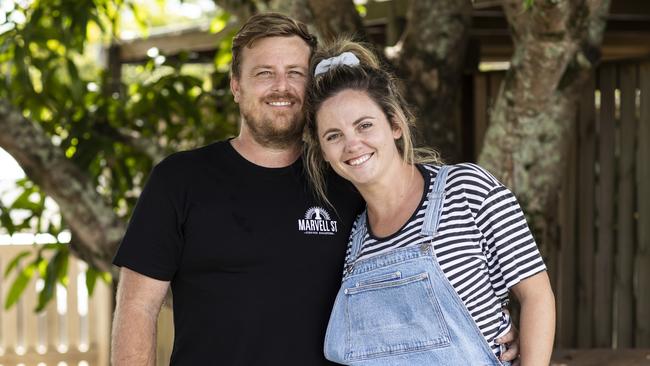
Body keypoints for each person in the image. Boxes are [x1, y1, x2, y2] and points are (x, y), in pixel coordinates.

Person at [110, 13, 522, 365]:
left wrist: (490, 323)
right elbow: (137, 308)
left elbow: (422, 263)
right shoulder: (179, 180)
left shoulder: (347, 180)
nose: (281, 87)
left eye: (295, 74)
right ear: (236, 85)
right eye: (263, 73)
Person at [303, 38, 555, 366]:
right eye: (333, 135)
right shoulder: (355, 240)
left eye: (364, 125)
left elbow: (536, 295)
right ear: (323, 152)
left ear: (394, 124)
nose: (352, 144)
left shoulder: (467, 189)